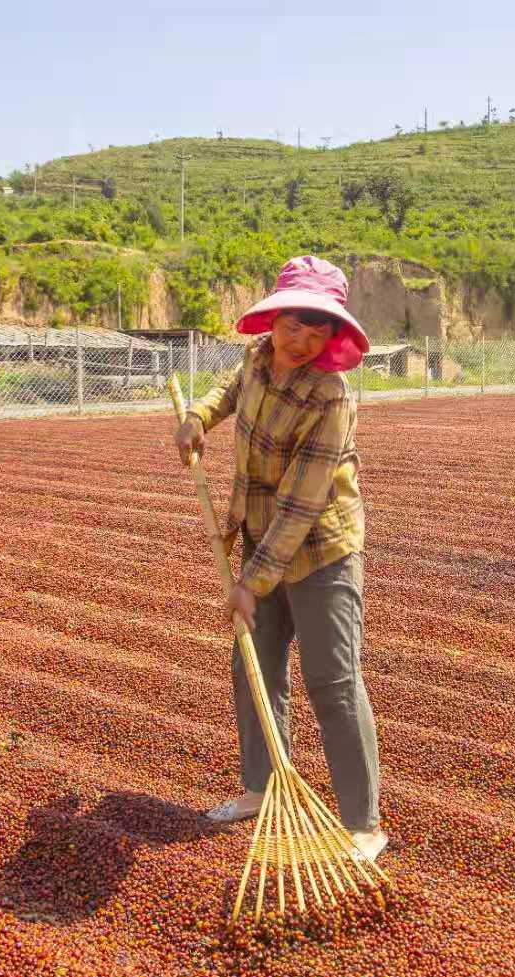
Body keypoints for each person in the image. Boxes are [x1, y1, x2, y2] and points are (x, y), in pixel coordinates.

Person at [173, 255, 387, 861]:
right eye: (294, 324)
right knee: (254, 669)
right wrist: (198, 418)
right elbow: (230, 391)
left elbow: (301, 505)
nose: (303, 339)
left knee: (333, 681)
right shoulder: (258, 359)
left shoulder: (329, 395)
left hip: (320, 553)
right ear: (272, 321)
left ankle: (363, 824)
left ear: (333, 333)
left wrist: (250, 581)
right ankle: (260, 789)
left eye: (318, 329)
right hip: (258, 541)